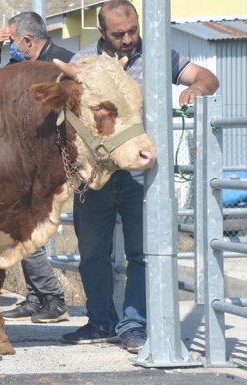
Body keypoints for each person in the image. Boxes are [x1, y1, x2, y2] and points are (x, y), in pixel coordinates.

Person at [62, 0, 219, 353]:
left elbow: (207, 77)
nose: (129, 39)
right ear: (101, 32)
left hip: (142, 175)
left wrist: (197, 89)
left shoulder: (159, 55)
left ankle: (134, 326)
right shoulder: (83, 63)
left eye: (133, 30)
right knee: (91, 254)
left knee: (142, 252)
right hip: (95, 176)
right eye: (119, 34)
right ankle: (100, 321)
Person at [0, 11, 71, 324]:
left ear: (27, 40)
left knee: (25, 230)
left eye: (14, 41)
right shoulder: (23, 66)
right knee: (18, 229)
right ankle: (36, 297)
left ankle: (52, 297)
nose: (13, 47)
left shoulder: (61, 64)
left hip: (46, 161)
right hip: (23, 159)